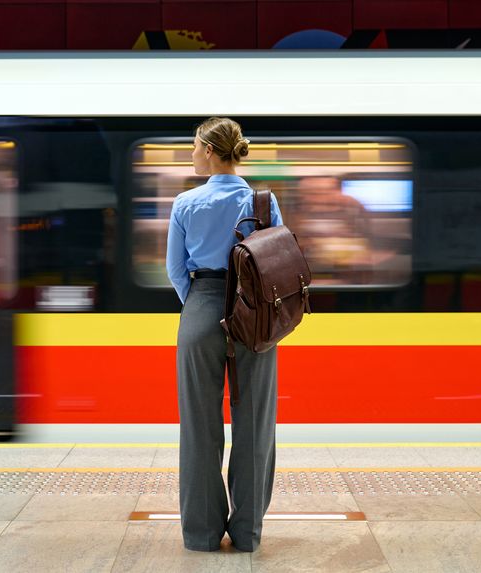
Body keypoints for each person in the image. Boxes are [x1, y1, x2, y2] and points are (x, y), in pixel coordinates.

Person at [166, 117, 283, 552]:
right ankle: (248, 533)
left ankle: (200, 535)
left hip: (201, 304)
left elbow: (175, 270)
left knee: (199, 425)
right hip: (254, 315)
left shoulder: (185, 203)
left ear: (212, 152)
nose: (193, 154)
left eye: (195, 147)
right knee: (255, 422)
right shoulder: (264, 201)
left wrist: (201, 305)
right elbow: (276, 262)